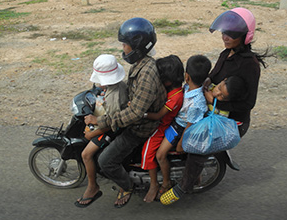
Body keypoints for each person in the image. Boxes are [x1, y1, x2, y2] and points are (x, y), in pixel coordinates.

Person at [160, 7, 269, 205]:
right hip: (214, 109)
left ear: (245, 36)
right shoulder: (227, 53)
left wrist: (213, 100)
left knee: (197, 144)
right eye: (224, 33)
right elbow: (214, 76)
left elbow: (248, 103)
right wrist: (202, 83)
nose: (225, 37)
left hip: (231, 119)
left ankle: (183, 186)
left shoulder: (249, 65)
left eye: (231, 34)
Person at [84, 17, 167, 208]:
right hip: (135, 117)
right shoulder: (141, 63)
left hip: (140, 127)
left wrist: (101, 121)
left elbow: (135, 114)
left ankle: (127, 186)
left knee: (106, 161)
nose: (123, 48)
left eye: (125, 44)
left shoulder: (147, 74)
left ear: (137, 46)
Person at [154, 55, 211, 202]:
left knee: (160, 155)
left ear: (187, 76)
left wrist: (181, 143)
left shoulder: (196, 102)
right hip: (179, 123)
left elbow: (189, 126)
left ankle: (166, 182)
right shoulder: (189, 88)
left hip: (180, 127)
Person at [74, 54, 129, 208]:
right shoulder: (118, 85)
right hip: (109, 122)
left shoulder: (113, 98)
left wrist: (92, 133)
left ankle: (92, 187)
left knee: (86, 154)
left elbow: (111, 124)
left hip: (111, 130)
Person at [140, 55, 185, 203]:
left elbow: (159, 115)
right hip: (163, 122)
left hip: (162, 126)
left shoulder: (175, 98)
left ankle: (158, 183)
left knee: (148, 153)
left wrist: (142, 113)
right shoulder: (177, 90)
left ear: (167, 81)